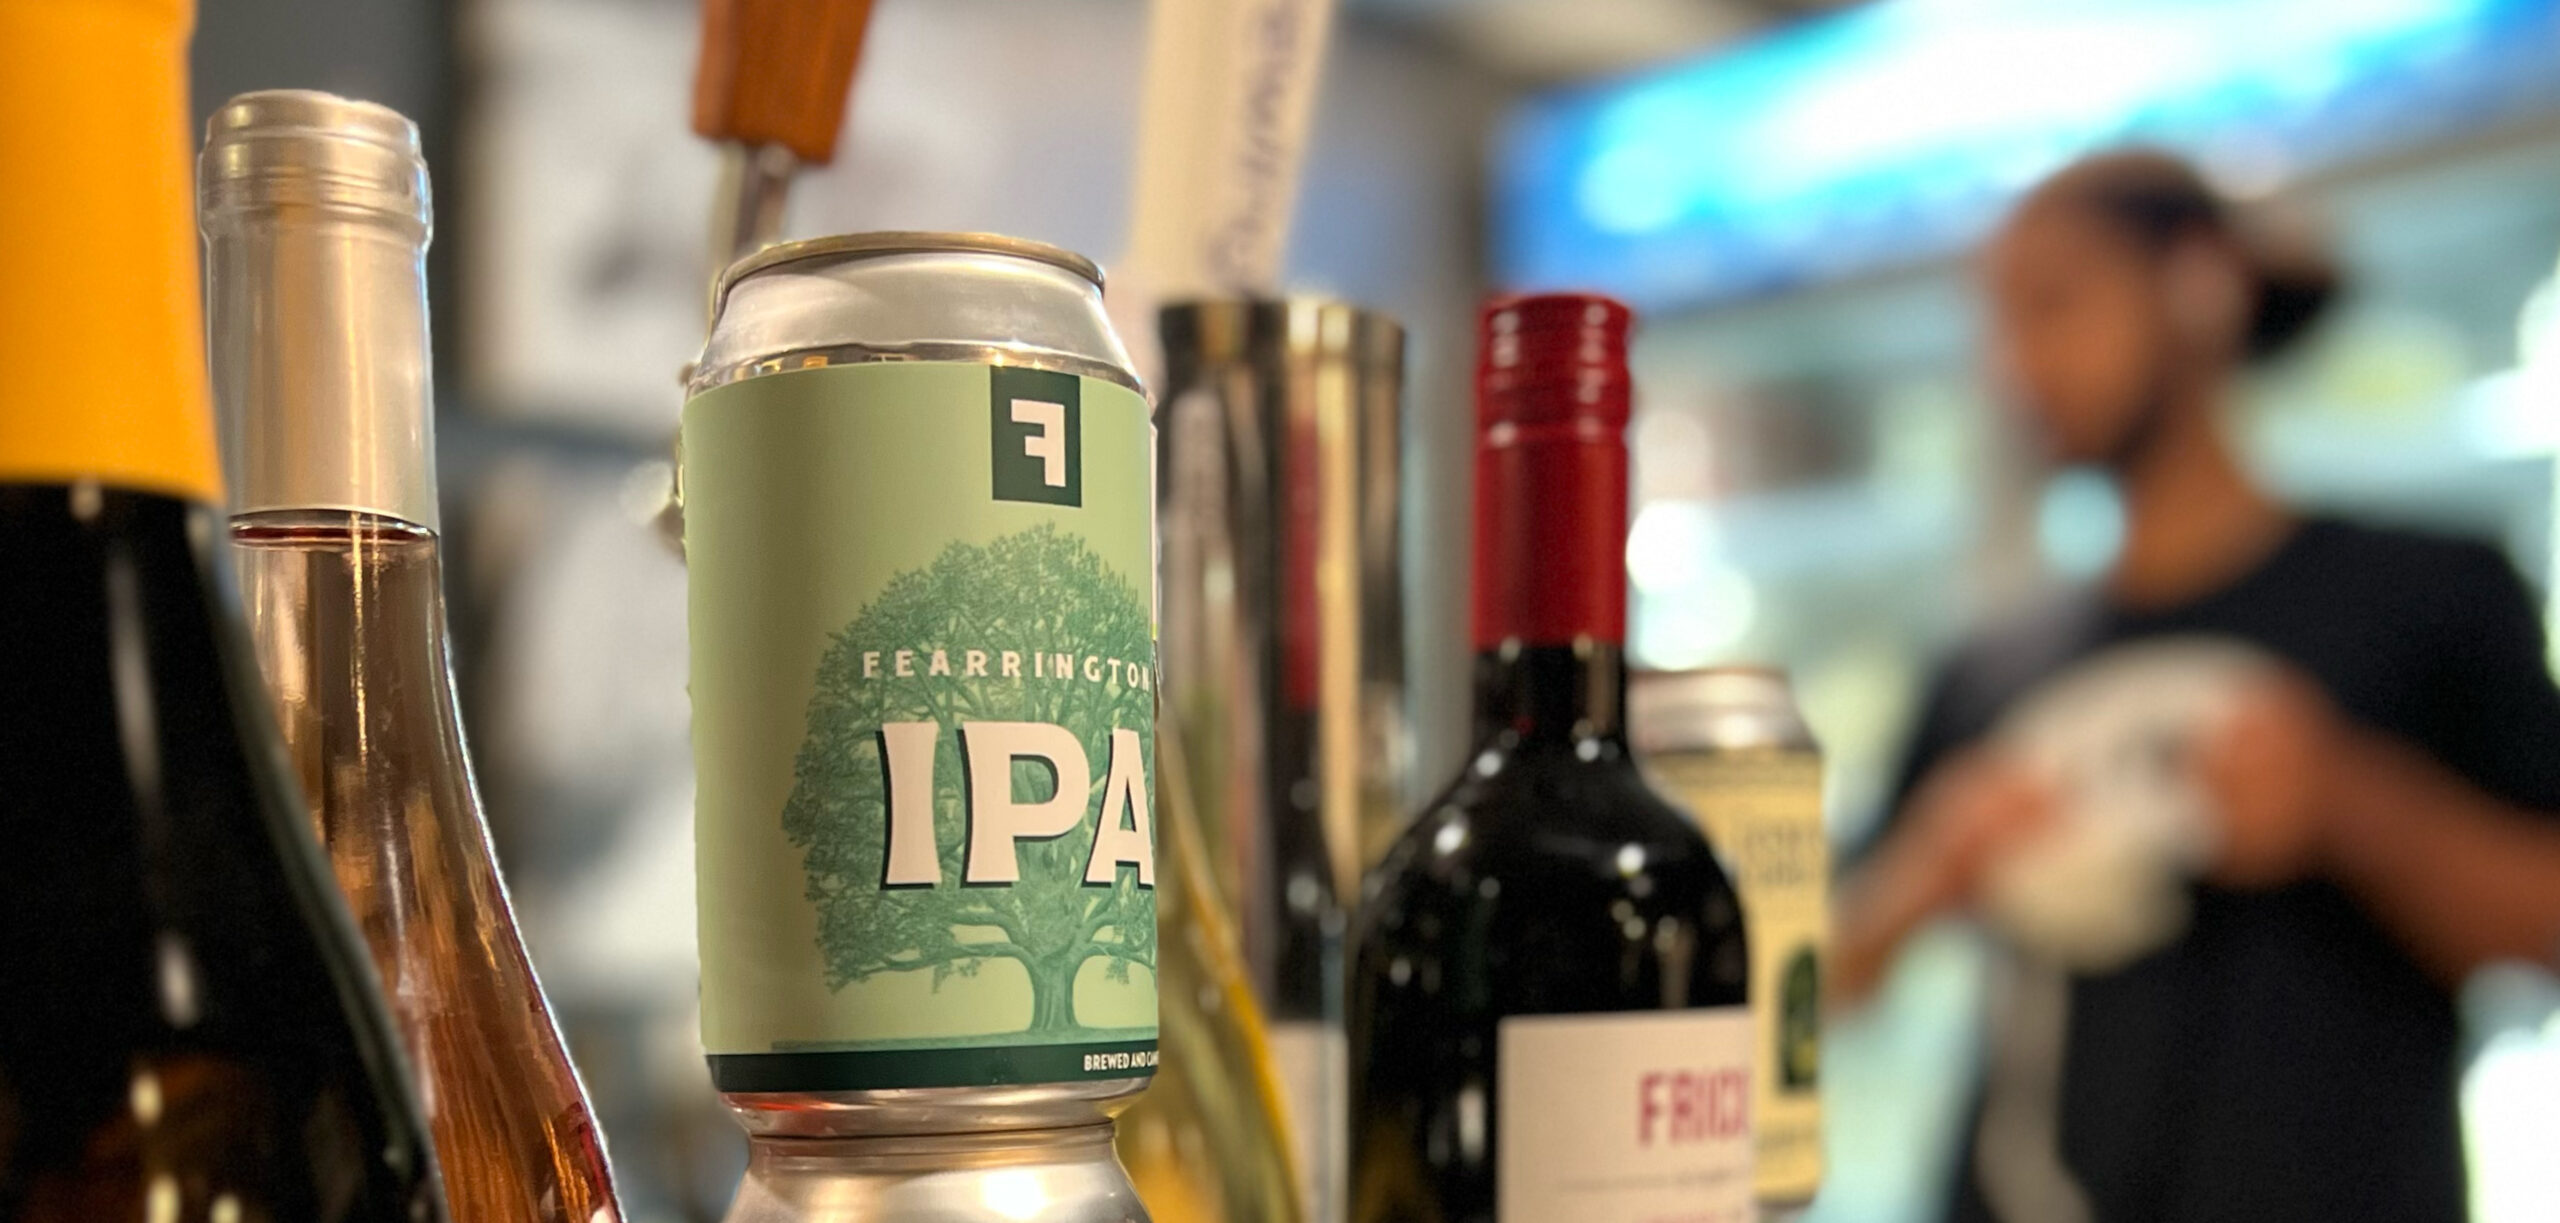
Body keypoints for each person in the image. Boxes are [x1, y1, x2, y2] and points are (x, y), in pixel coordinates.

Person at [1834, 149, 2560, 1223]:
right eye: (1996, 321)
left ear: (2197, 282)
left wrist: (2352, 805)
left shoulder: (2425, 592)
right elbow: (1824, 978)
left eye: (2053, 302)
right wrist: (1929, 868)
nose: (2013, 365)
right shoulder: (1988, 666)